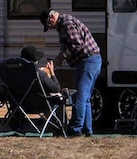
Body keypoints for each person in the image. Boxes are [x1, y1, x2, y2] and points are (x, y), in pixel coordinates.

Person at [41, 9, 101, 137]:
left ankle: (75, 129)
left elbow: (77, 44)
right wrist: (56, 63)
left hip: (88, 61)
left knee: (80, 96)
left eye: (49, 24)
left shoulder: (66, 24)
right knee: (85, 98)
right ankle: (87, 129)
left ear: (52, 17)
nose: (50, 28)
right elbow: (66, 47)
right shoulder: (64, 25)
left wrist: (59, 59)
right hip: (89, 61)